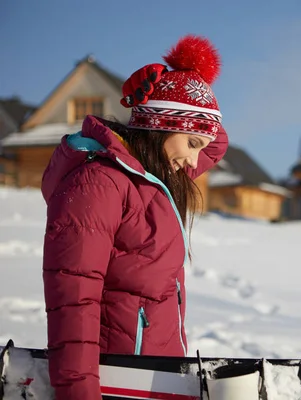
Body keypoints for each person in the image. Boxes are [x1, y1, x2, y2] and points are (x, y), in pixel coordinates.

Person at [40, 34, 228, 399]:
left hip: (159, 376)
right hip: (117, 380)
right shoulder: (99, 182)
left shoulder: (153, 181)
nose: (194, 161)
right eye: (192, 144)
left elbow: (215, 142)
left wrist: (182, 76)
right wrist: (78, 392)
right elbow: (74, 297)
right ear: (160, 124)